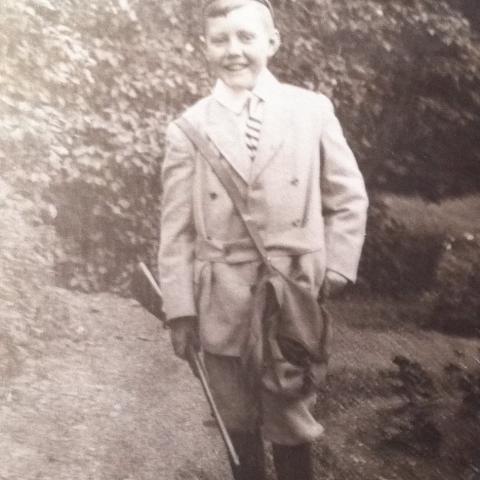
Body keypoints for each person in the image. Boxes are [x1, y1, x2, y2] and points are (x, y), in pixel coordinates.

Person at [158, 0, 368, 478]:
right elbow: (175, 229)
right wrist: (180, 309)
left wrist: (334, 267)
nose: (234, 51)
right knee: (236, 422)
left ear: (271, 42)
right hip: (221, 300)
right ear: (204, 47)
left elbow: (348, 195)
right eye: (220, 40)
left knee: (291, 417)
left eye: (246, 37)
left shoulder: (310, 110)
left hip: (289, 297)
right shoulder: (188, 129)